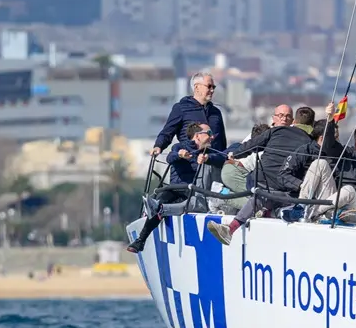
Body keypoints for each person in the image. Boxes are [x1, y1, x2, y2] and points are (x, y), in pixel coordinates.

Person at [206, 121, 313, 246]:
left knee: (257, 197)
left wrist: (235, 154)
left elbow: (253, 144)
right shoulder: (309, 142)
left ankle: (231, 228)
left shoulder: (278, 131)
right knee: (264, 198)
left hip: (263, 182)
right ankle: (266, 213)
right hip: (288, 190)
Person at [128, 123, 227, 253]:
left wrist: (207, 158)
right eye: (209, 133)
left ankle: (158, 210)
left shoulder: (209, 152)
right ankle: (141, 240)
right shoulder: (179, 146)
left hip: (192, 191)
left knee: (165, 206)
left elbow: (221, 157)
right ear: (197, 136)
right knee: (160, 201)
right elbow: (170, 157)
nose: (212, 137)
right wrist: (180, 155)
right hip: (174, 189)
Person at [153, 72, 227, 155]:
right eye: (209, 86)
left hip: (213, 160)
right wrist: (158, 146)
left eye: (213, 87)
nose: (212, 90)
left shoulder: (216, 112)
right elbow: (167, 133)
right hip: (189, 160)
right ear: (197, 87)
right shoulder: (181, 108)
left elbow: (222, 142)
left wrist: (224, 158)